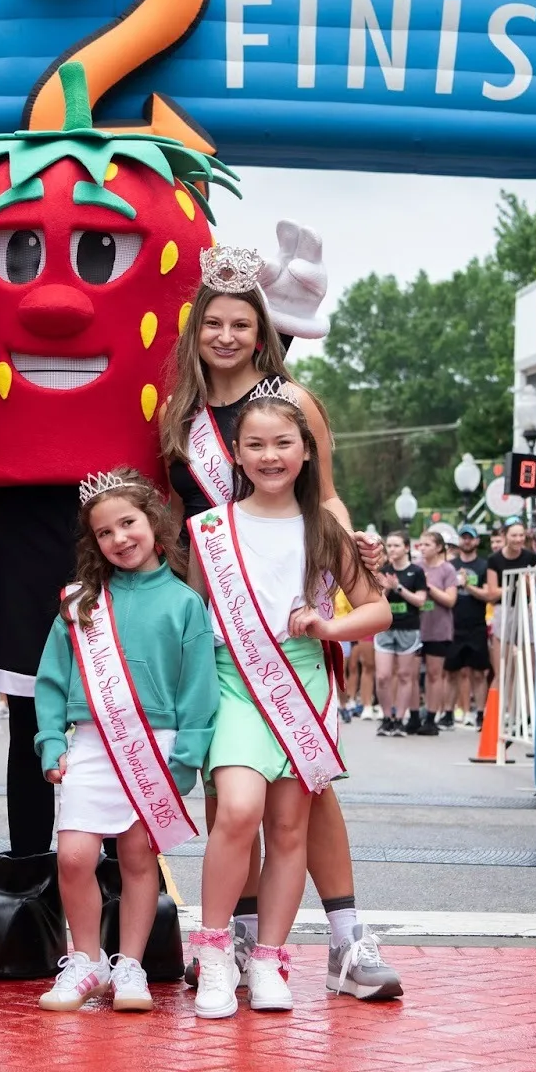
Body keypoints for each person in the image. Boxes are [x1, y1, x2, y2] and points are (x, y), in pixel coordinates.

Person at [160, 248, 399, 1005]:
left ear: (262, 331)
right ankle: (230, 938)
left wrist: (349, 560)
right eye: (213, 324)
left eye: (241, 324)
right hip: (218, 611)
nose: (226, 337)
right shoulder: (180, 416)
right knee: (233, 795)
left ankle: (344, 940)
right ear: (196, 332)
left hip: (290, 622)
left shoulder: (293, 399)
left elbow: (324, 499)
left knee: (308, 787)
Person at [185, 382, 388, 1018]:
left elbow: (377, 608)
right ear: (236, 457)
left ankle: (270, 958)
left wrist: (329, 627)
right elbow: (193, 616)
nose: (271, 455)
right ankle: (217, 952)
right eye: (256, 445)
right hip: (231, 679)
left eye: (284, 443)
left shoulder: (325, 528)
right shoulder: (209, 529)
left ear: (307, 452)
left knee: (290, 826)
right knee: (238, 811)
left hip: (302, 680)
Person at [34, 469, 218, 1013]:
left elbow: (198, 686)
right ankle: (87, 962)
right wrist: (49, 739)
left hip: (154, 747)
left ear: (154, 524)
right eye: (105, 532)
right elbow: (49, 679)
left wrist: (186, 757)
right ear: (94, 544)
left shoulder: (186, 603)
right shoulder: (80, 604)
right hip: (91, 743)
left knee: (140, 857)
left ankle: (131, 965)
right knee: (72, 857)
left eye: (128, 523)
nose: (119, 538)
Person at [375, 531, 428, 736]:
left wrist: (398, 588)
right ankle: (387, 717)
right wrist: (386, 589)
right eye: (389, 546)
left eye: (396, 545)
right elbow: (376, 600)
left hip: (409, 628)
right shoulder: (383, 571)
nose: (392, 549)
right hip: (386, 629)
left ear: (407, 548)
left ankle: (400, 720)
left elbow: (421, 601)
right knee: (383, 676)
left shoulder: (416, 572)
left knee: (406, 675)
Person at [449, 523, 494, 724]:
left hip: (476, 623)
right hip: (454, 623)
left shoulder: (484, 566)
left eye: (470, 537)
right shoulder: (451, 565)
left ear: (476, 541)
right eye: (463, 537)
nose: (466, 541)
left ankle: (480, 712)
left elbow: (488, 595)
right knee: (457, 671)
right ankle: (460, 711)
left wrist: (467, 586)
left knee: (478, 672)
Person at [417, 526, 460, 732]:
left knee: (435, 674)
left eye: (427, 544)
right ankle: (413, 714)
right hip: (416, 628)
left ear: (439, 548)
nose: (422, 548)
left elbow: (450, 600)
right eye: (421, 544)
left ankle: (433, 717)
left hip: (438, 629)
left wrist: (429, 587)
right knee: (411, 674)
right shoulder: (415, 566)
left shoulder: (447, 570)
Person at [486, 518, 536, 682]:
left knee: (529, 665)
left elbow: (533, 589)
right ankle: (504, 705)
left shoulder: (530, 557)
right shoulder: (494, 559)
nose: (518, 539)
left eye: (521, 535)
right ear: (505, 535)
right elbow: (492, 593)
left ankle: (530, 705)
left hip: (525, 609)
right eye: (514, 535)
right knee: (503, 666)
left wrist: (528, 585)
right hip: (504, 609)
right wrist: (513, 586)